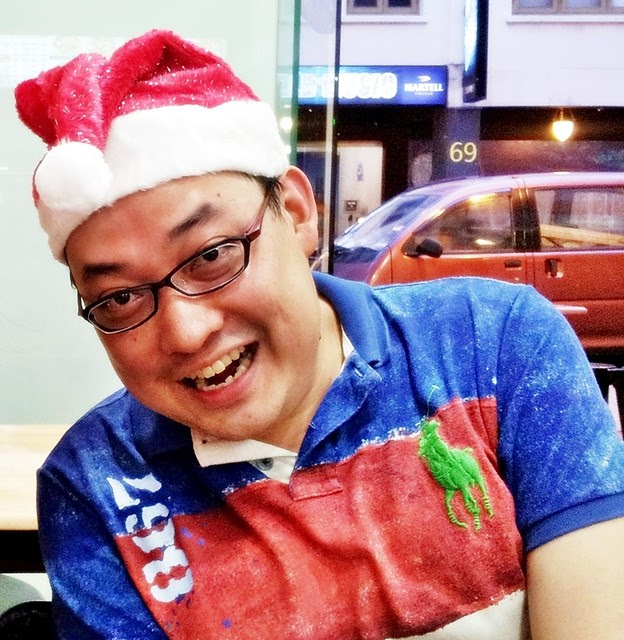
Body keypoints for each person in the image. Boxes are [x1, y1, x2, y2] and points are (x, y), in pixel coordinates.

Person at [14, 29, 624, 640]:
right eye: (120, 297)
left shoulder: (493, 345)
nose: (186, 332)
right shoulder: (98, 482)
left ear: (298, 214)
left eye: (212, 255)